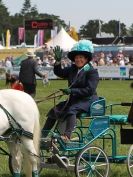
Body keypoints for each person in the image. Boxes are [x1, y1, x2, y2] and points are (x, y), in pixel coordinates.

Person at [42, 40, 99, 140]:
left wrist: (72, 91)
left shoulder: (92, 72)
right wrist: (58, 61)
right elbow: (60, 73)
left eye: (81, 57)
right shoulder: (72, 69)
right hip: (74, 100)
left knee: (71, 110)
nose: (78, 60)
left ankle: (66, 136)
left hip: (87, 100)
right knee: (54, 110)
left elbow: (89, 90)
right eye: (76, 57)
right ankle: (43, 135)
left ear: (86, 59)